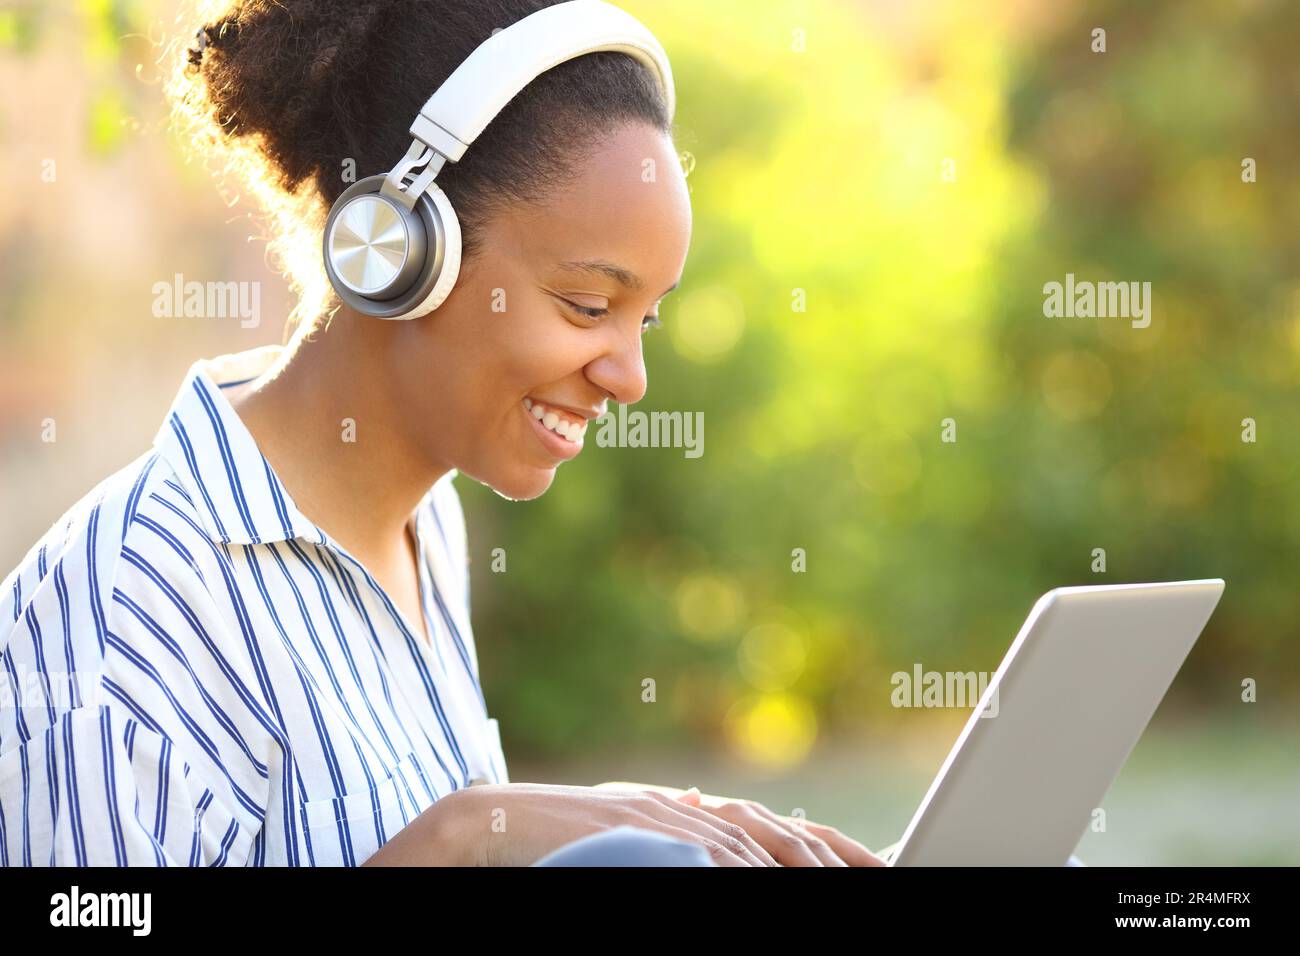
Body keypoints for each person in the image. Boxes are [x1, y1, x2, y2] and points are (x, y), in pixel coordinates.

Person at [0, 0, 882, 867]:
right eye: (587, 306)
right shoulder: (131, 611)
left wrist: (583, 831)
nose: (630, 378)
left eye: (642, 321)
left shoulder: (429, 524)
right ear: (398, 249)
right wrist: (455, 839)